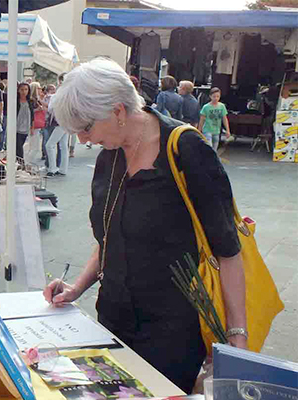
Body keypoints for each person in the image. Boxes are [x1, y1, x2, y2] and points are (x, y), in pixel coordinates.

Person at [43, 58, 247, 393]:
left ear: (118, 111)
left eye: (86, 129)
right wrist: (76, 288)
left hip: (172, 328)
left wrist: (237, 334)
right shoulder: (109, 156)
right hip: (113, 318)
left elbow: (227, 249)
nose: (83, 140)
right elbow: (110, 236)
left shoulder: (185, 148)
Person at [46, 73, 69, 177]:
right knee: (63, 146)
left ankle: (53, 168)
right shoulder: (71, 92)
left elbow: (51, 108)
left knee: (50, 145)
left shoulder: (60, 93)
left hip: (60, 121)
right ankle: (63, 169)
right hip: (67, 121)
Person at [198, 87, 231, 151]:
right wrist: (199, 130)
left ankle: (212, 159)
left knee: (215, 148)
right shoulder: (206, 107)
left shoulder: (222, 106)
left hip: (216, 130)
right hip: (207, 129)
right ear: (210, 96)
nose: (216, 98)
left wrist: (227, 130)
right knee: (209, 146)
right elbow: (202, 119)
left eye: (218, 96)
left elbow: (224, 118)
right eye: (214, 96)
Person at [26, 81, 45, 164]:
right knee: (35, 148)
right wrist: (38, 109)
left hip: (32, 125)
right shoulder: (33, 100)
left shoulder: (32, 99)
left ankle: (26, 163)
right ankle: (26, 162)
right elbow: (29, 112)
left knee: (31, 146)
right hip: (34, 125)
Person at [16, 82, 35, 161]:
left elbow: (32, 115)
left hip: (26, 128)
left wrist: (32, 127)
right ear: (18, 90)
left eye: (26, 89)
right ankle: (21, 164)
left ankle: (18, 163)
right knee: (18, 147)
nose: (24, 92)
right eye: (22, 89)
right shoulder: (15, 101)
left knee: (20, 146)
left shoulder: (30, 101)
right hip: (16, 128)